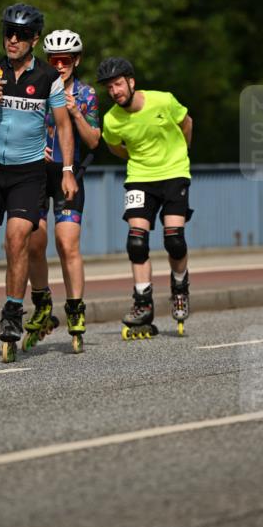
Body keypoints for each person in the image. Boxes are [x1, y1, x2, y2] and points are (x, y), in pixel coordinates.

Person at [0, 3, 78, 362]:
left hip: (28, 172)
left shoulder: (48, 77)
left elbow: (63, 125)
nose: (12, 39)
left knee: (16, 239)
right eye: (8, 31)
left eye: (21, 35)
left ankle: (11, 314)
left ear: (34, 39)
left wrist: (68, 170)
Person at [96, 57, 193, 338]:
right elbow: (115, 147)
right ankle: (142, 303)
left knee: (174, 238)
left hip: (174, 172)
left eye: (117, 84)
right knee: (136, 242)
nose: (114, 91)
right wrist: (138, 161)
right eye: (109, 88)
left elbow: (187, 123)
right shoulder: (111, 120)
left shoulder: (163, 101)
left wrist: (181, 155)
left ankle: (179, 288)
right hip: (139, 177)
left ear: (131, 81)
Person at [24, 30, 100, 353]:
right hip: (37, 174)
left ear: (75, 61)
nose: (58, 66)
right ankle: (43, 304)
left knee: (66, 243)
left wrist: (76, 113)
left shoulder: (86, 93)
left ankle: (75, 309)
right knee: (32, 240)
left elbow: (95, 140)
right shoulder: (35, 87)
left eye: (64, 61)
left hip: (69, 175)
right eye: (52, 60)